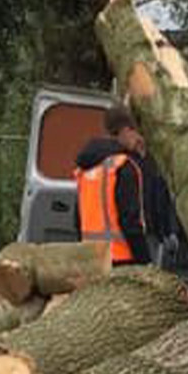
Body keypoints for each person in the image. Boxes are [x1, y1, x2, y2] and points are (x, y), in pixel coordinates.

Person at [75, 105, 152, 266]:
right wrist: (145, 260)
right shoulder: (123, 166)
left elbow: (78, 217)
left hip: (90, 257)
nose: (140, 139)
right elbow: (130, 221)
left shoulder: (87, 167)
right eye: (138, 133)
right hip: (121, 258)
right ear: (127, 130)